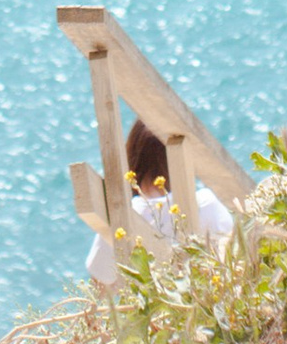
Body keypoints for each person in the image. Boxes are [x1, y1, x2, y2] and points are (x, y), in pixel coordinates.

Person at [84, 120, 234, 294]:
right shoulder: (207, 203)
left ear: (132, 157)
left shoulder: (124, 215)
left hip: (153, 319)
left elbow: (100, 285)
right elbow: (235, 261)